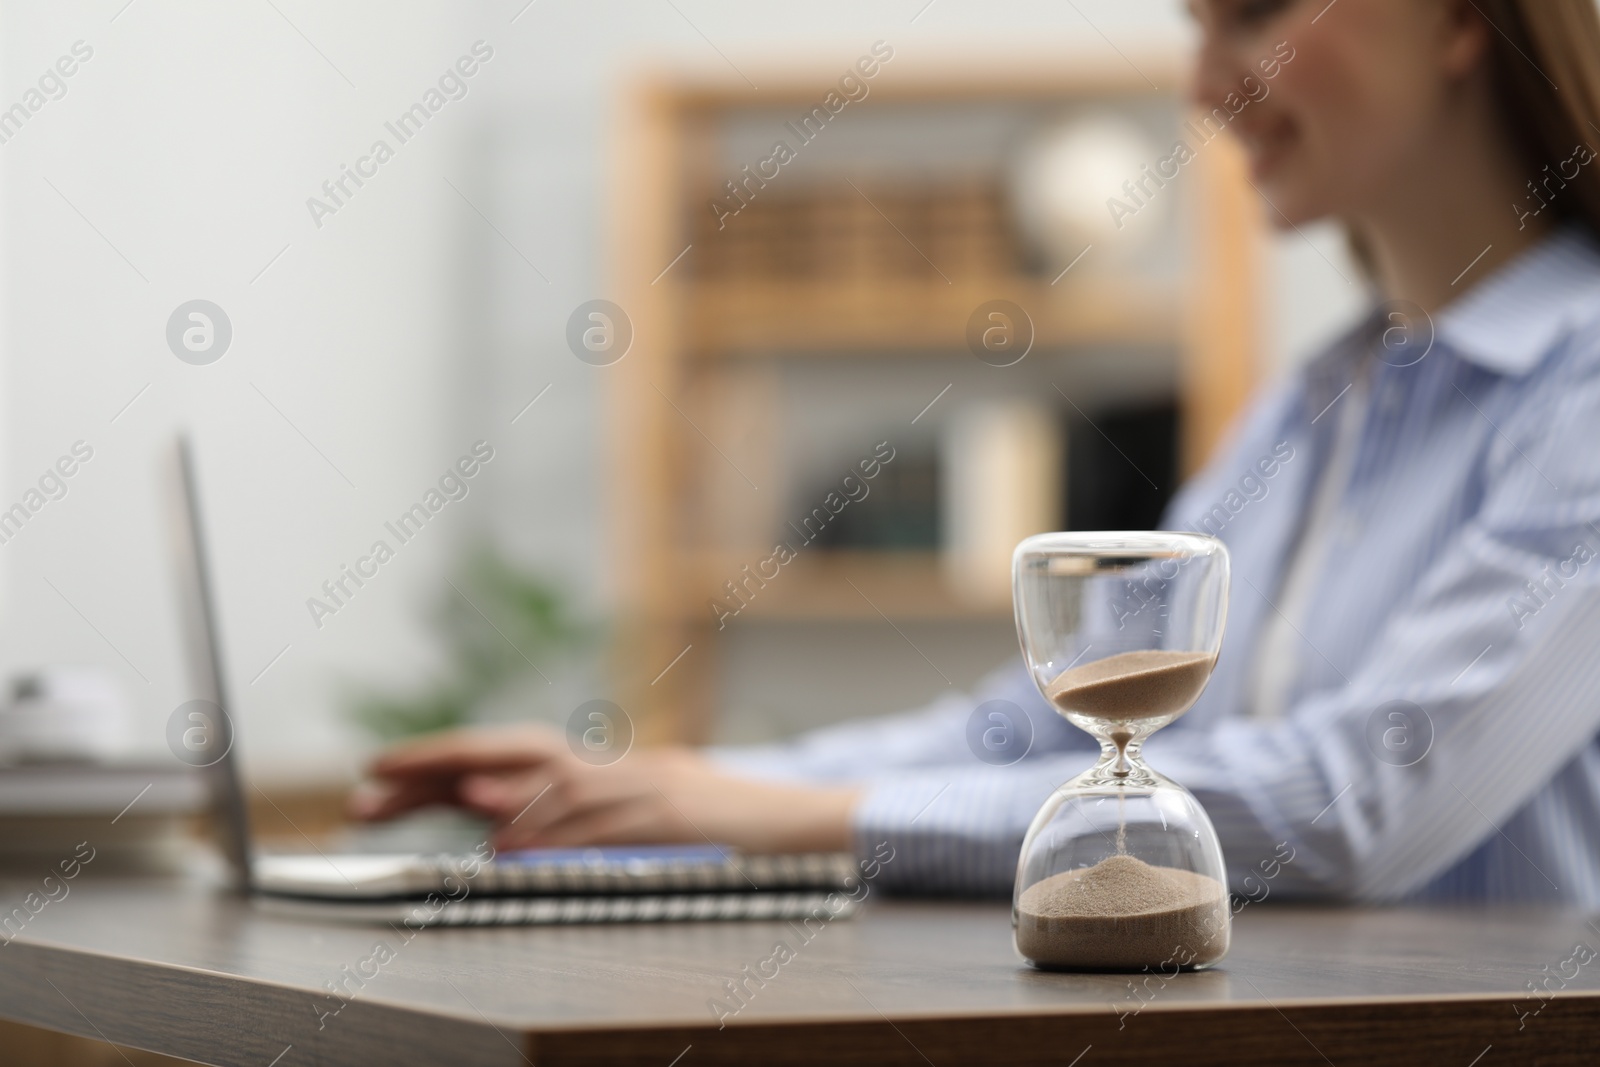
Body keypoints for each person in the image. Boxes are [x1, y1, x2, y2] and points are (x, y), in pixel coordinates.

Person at [351, 0, 1600, 903]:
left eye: (1249, 12)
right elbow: (1045, 724)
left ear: (1454, 21)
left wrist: (795, 818)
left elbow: (1356, 805)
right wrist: (670, 791)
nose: (1202, 83)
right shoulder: (1315, 406)